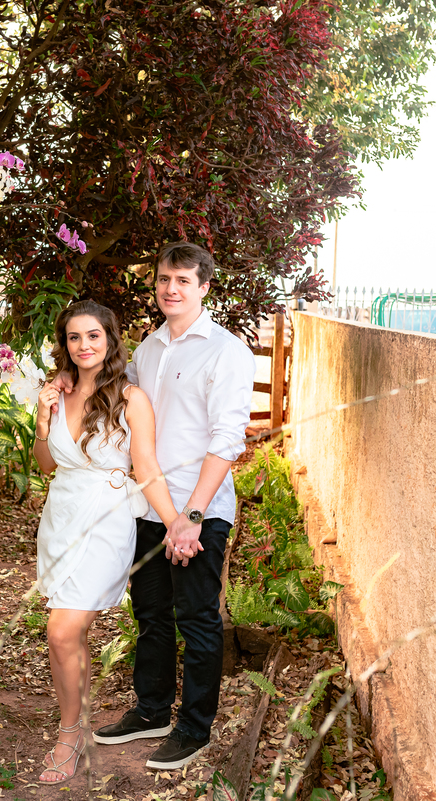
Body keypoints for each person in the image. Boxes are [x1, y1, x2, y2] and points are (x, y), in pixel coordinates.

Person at [88, 241, 255, 770]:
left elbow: (228, 439)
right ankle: (152, 711)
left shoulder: (227, 352)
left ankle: (194, 728)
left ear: (204, 287)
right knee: (152, 614)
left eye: (183, 281)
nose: (171, 289)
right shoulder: (148, 349)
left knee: (198, 618)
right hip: (149, 507)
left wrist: (194, 516)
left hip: (199, 510)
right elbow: (125, 411)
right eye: (164, 279)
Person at [31, 299, 180, 785]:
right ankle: (73, 721)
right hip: (60, 519)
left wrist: (176, 522)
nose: (84, 346)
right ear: (65, 343)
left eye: (93, 336)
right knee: (64, 631)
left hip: (107, 521)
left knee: (62, 631)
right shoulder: (57, 391)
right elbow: (46, 465)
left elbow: (148, 470)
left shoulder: (131, 399)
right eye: (74, 337)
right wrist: (40, 420)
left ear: (110, 339)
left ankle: (69, 735)